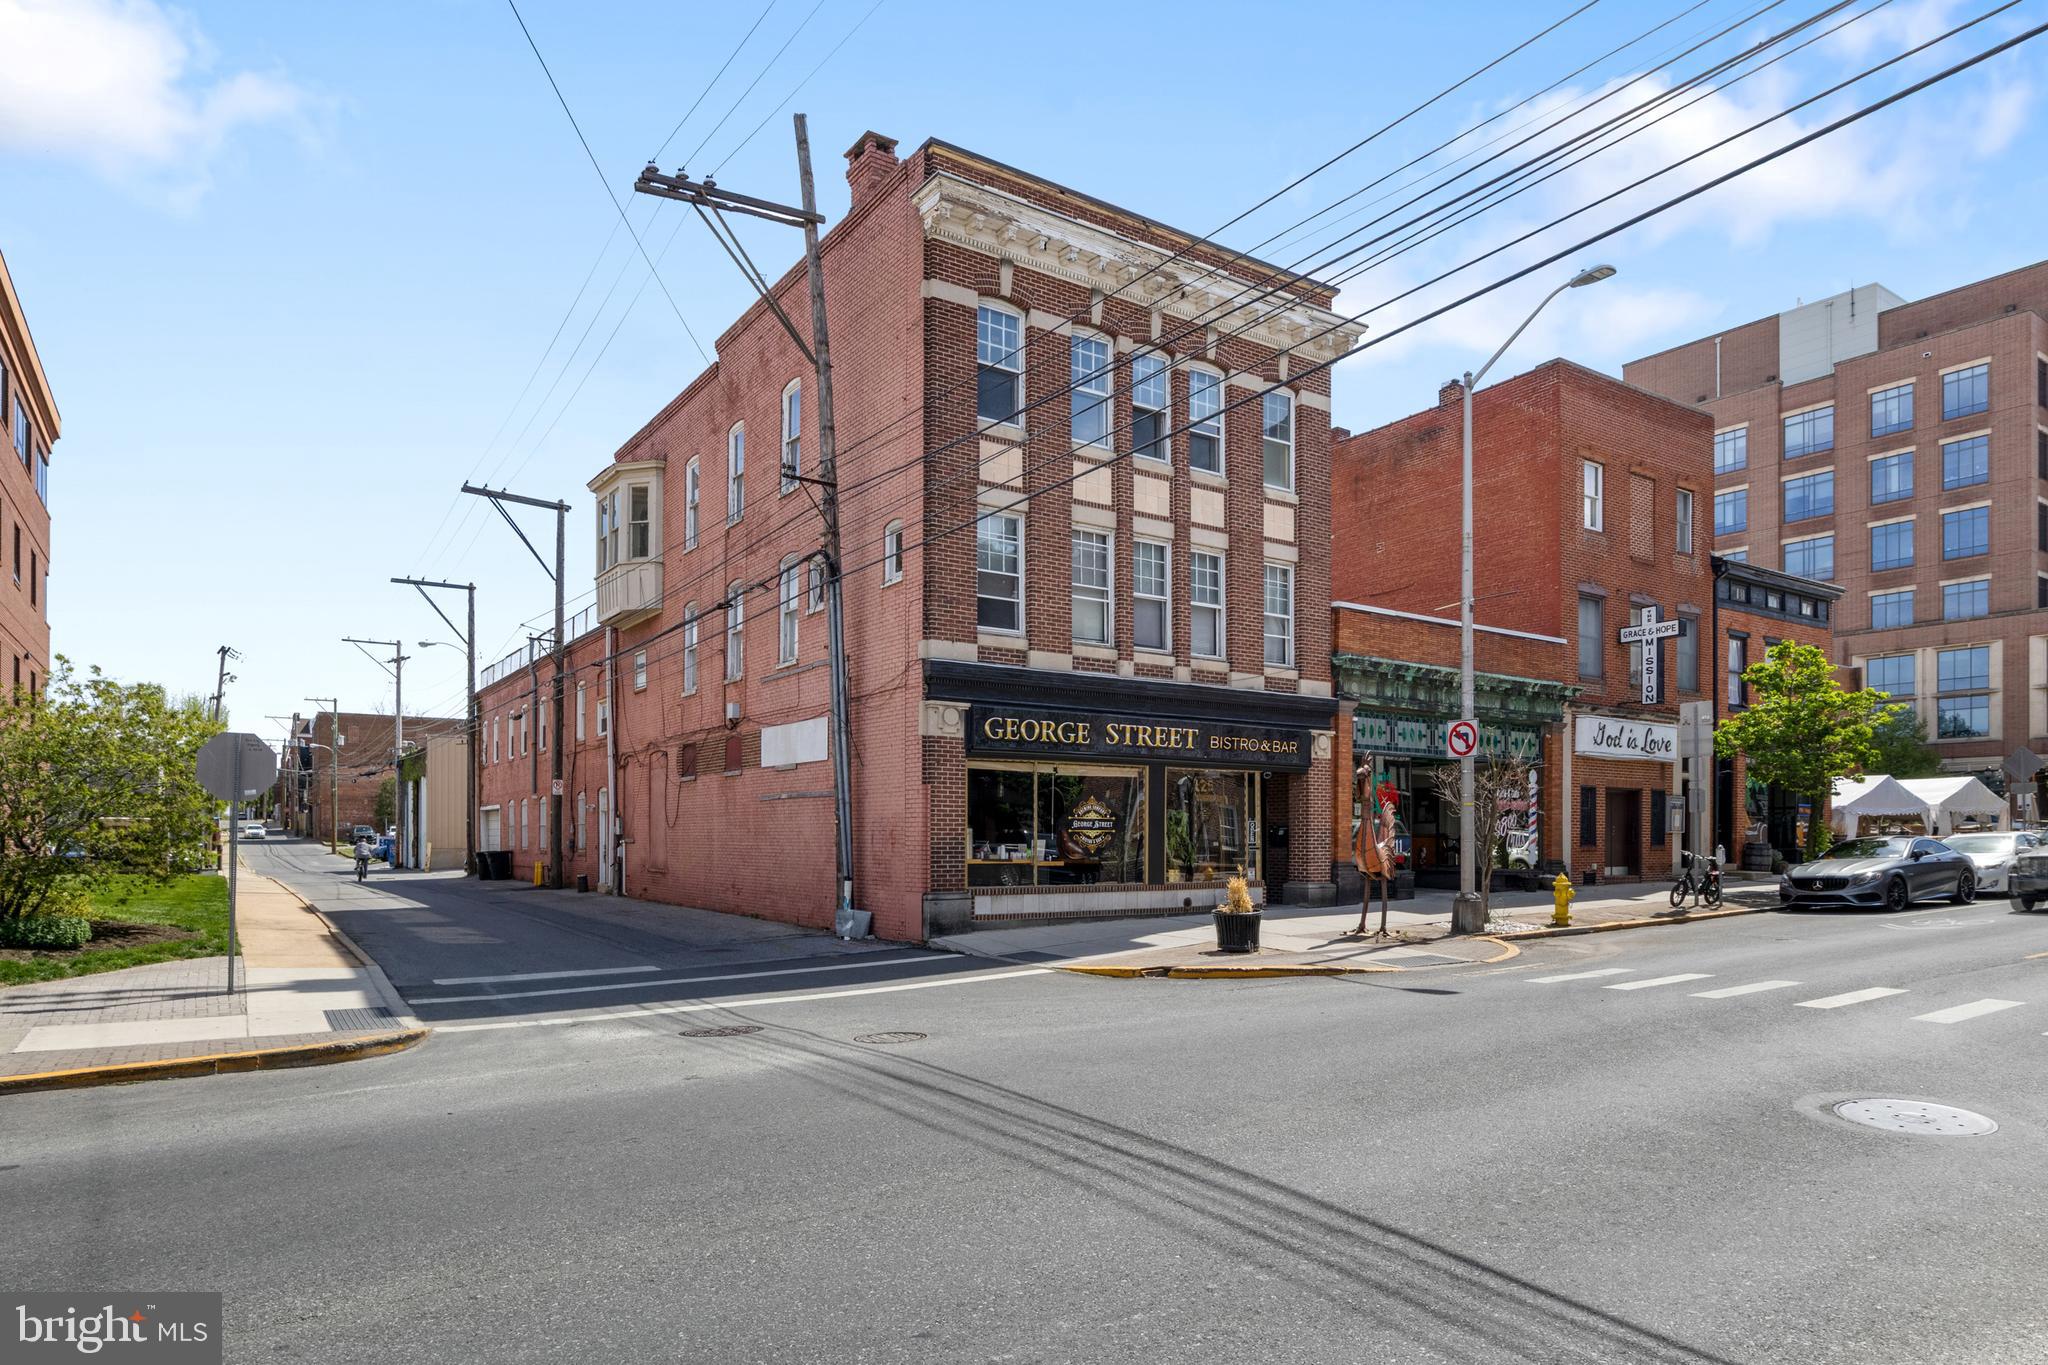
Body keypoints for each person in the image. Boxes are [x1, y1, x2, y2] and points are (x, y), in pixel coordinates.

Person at [1352, 760, 1398, 937]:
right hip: (1366, 853)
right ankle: (1362, 923)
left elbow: (1366, 799)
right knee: (1367, 878)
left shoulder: (1368, 788)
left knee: (1382, 883)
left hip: (1379, 859)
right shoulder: (1364, 786)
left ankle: (1383, 926)